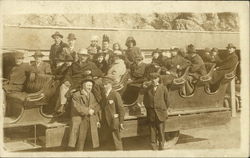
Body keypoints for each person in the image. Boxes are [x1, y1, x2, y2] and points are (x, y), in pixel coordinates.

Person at [55, 48, 103, 114]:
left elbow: (100, 72)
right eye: (81, 55)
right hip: (73, 82)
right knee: (63, 86)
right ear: (78, 55)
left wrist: (91, 72)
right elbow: (68, 74)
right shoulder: (74, 64)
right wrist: (66, 81)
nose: (83, 57)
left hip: (83, 82)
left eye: (84, 55)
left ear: (87, 56)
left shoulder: (91, 64)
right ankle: (62, 105)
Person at [68, 76, 101, 151]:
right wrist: (88, 111)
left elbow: (96, 106)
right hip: (80, 120)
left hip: (91, 119)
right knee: (80, 141)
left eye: (91, 86)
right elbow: (76, 107)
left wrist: (97, 120)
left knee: (91, 141)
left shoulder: (91, 95)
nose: (90, 87)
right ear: (83, 85)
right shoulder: (76, 95)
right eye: (88, 85)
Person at [143, 73, 169, 150]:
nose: (153, 80)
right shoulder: (148, 88)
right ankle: (153, 146)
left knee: (161, 131)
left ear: (158, 79)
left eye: (155, 78)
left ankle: (161, 145)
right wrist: (149, 108)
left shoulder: (163, 88)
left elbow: (167, 100)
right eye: (152, 79)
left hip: (160, 113)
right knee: (152, 131)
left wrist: (163, 109)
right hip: (151, 113)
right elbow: (145, 100)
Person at [100, 77, 125, 150]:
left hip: (113, 120)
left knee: (116, 139)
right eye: (103, 85)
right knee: (109, 140)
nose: (104, 86)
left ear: (110, 84)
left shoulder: (115, 94)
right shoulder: (104, 94)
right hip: (106, 121)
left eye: (106, 84)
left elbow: (121, 108)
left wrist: (121, 122)